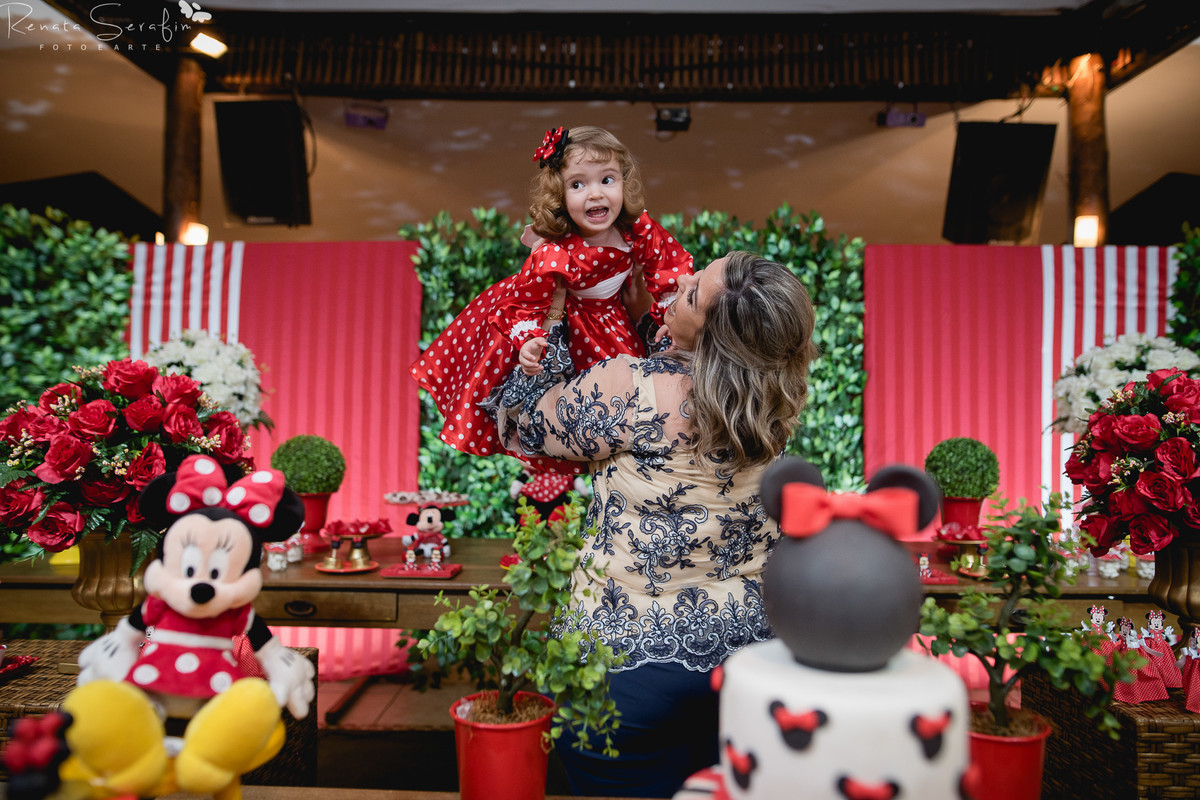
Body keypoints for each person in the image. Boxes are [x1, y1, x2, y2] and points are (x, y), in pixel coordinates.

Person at [487, 251, 818, 798]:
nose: (681, 279)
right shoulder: (775, 400)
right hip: (746, 675)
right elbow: (699, 378)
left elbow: (522, 423)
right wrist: (656, 317)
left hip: (622, 679)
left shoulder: (628, 386)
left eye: (690, 294)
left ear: (714, 339)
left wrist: (549, 330)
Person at [409, 125, 693, 474]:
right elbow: (528, 305)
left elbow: (669, 268)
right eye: (578, 184)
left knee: (632, 408)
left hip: (612, 321)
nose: (594, 194)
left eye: (607, 180)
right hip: (569, 326)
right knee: (576, 413)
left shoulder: (639, 230)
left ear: (624, 182)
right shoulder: (556, 253)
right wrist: (528, 343)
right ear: (559, 193)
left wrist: (670, 315)